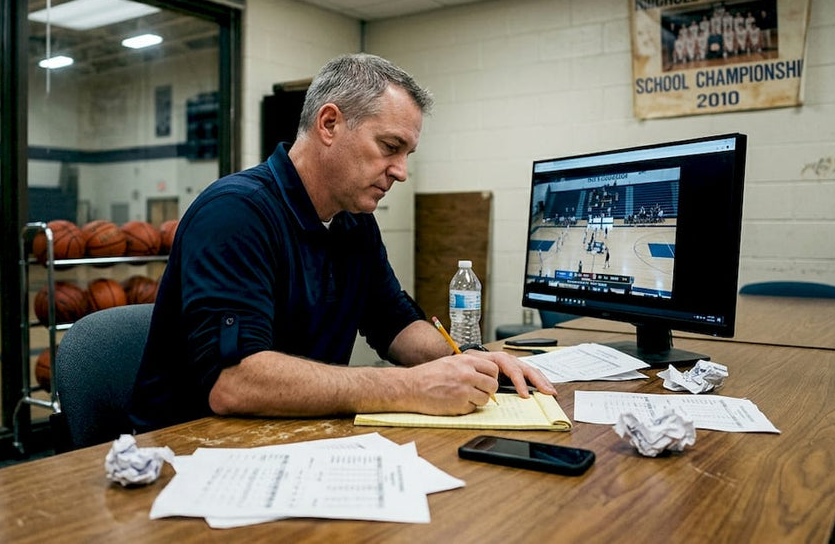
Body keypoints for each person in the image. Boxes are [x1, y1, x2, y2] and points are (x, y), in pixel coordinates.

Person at [129, 53, 555, 430]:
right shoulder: (235, 214)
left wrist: (471, 359)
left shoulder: (354, 222)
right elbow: (235, 381)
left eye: (407, 154)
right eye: (390, 146)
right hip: (187, 452)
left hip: (293, 438)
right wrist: (408, 386)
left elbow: (394, 322)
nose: (401, 171)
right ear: (329, 124)